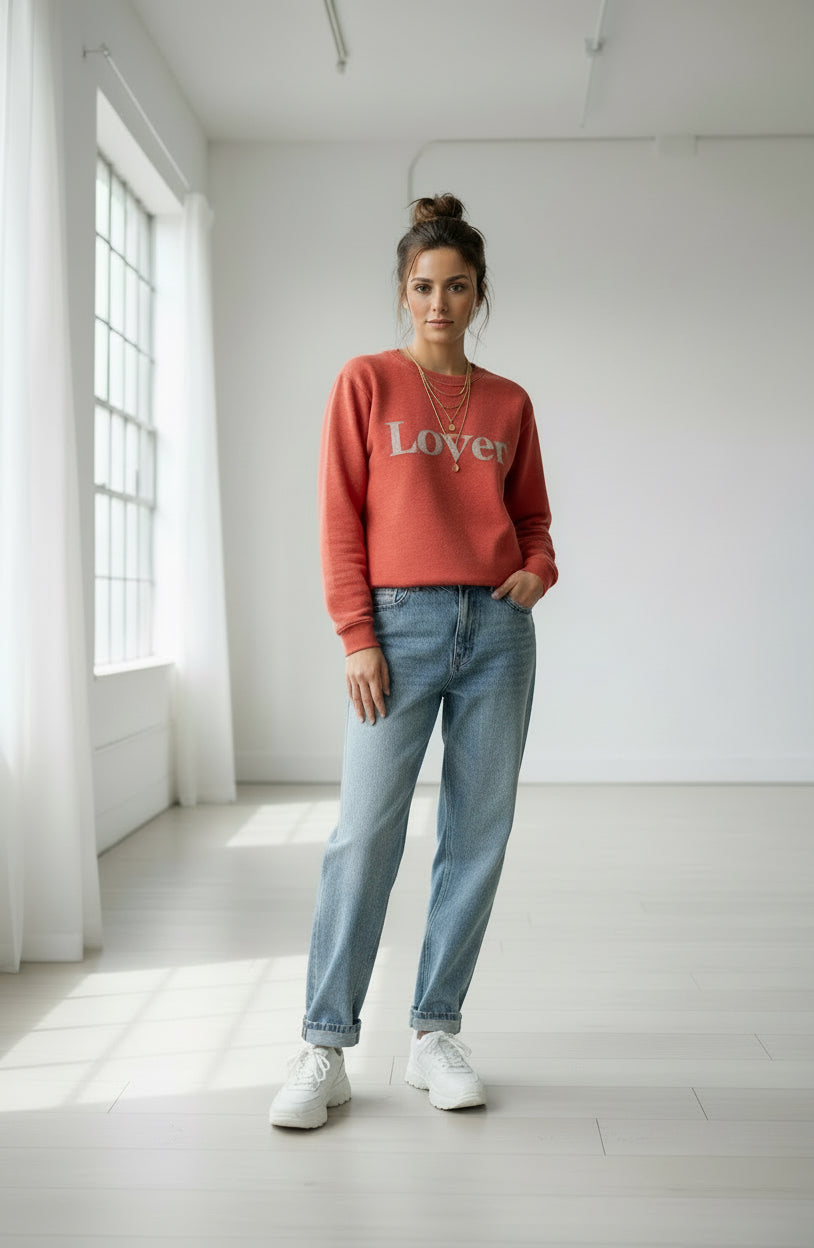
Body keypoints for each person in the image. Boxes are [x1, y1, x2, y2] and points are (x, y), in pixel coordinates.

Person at [269, 193, 557, 1129]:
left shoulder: (509, 401)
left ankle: (435, 1035)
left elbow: (533, 521)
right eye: (423, 286)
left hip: (498, 635)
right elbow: (339, 515)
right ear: (404, 292)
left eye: (457, 287)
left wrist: (537, 571)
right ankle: (324, 1046)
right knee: (365, 837)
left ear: (479, 295)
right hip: (396, 627)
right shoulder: (365, 383)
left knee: (478, 834)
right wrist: (357, 634)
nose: (439, 302)